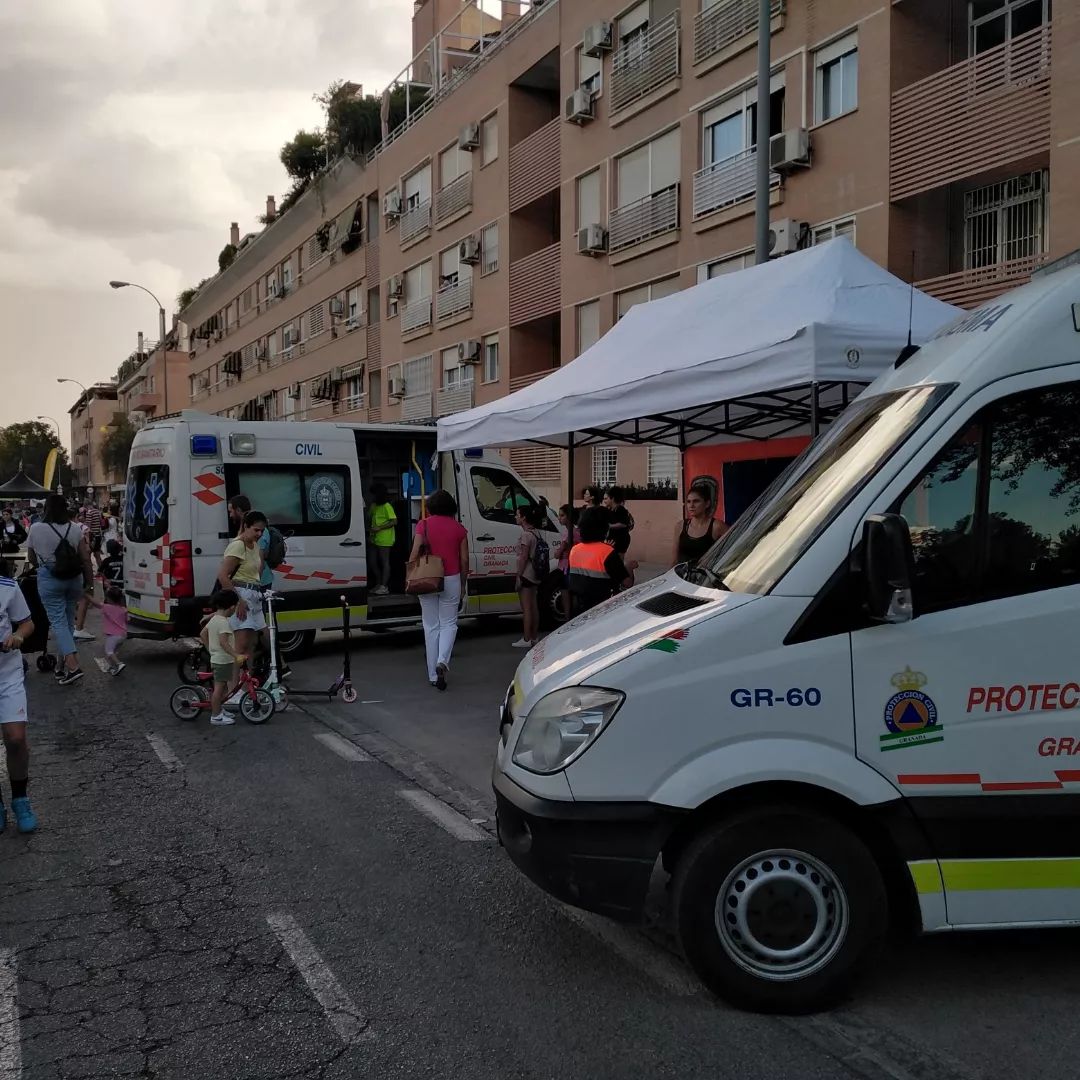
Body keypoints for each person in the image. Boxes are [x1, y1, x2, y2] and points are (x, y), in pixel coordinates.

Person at [26, 494, 93, 685]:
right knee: (68, 622)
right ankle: (60, 668)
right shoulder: (74, 528)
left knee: (58, 622)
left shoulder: (36, 528)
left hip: (50, 578)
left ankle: (73, 666)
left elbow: (31, 557)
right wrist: (88, 583)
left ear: (46, 509)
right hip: (74, 579)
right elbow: (86, 558)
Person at [408, 490, 468, 691]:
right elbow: (465, 560)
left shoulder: (423, 525)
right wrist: (463, 582)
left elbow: (416, 551)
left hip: (428, 577)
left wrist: (411, 571)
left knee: (430, 625)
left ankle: (433, 675)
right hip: (451, 578)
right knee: (449, 623)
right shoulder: (459, 529)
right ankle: (443, 661)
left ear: (431, 506)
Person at [0, 569, 37, 832]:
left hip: (6, 672)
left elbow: (27, 622)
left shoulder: (7, 586)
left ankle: (20, 799)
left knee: (15, 738)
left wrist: (19, 636)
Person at [217, 509, 267, 669]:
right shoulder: (238, 546)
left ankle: (246, 687)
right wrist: (238, 601)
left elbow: (257, 571)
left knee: (252, 645)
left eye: (262, 531)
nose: (259, 534)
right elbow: (223, 575)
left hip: (254, 594)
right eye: (256, 530)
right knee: (240, 646)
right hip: (240, 593)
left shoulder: (255, 546)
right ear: (246, 526)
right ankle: (234, 690)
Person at [569, 507, 637, 614]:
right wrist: (629, 567)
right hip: (603, 609)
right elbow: (627, 583)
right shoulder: (607, 552)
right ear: (604, 528)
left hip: (579, 609)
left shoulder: (575, 549)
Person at [200, 589, 243, 726]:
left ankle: (219, 709)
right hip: (223, 660)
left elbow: (202, 634)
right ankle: (216, 716)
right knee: (219, 689)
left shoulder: (214, 619)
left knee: (223, 687)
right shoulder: (223, 622)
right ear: (231, 607)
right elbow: (224, 642)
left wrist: (210, 650)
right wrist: (236, 655)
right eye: (235, 607)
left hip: (219, 658)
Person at [673, 482, 729, 568]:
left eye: (696, 501)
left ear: (707, 504)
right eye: (688, 502)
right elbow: (674, 560)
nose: (691, 505)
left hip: (706, 577)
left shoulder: (717, 526)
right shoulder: (680, 526)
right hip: (683, 576)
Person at [513, 504, 544, 649]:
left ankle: (526, 639)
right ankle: (534, 637)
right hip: (536, 572)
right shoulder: (536, 533)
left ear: (524, 517)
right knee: (534, 606)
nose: (516, 517)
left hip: (526, 573)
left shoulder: (525, 535)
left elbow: (523, 557)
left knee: (526, 608)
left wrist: (518, 575)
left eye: (518, 514)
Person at [86, 585, 128, 675]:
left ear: (109, 599)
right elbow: (127, 620)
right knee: (114, 652)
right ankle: (113, 667)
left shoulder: (107, 607)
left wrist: (86, 595)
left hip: (113, 635)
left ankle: (119, 664)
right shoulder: (123, 609)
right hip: (123, 634)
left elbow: (95, 603)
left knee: (109, 651)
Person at [552, 504, 580, 621]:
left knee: (566, 594)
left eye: (562, 515)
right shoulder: (578, 532)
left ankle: (568, 619)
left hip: (565, 567)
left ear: (569, 517)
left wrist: (559, 552)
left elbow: (557, 554)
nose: (559, 518)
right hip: (575, 566)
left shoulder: (568, 534)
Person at [368, 483, 397, 596]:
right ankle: (378, 583)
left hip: (384, 538)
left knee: (384, 562)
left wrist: (379, 527)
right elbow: (369, 518)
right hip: (374, 537)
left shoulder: (387, 506)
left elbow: (394, 521)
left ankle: (384, 586)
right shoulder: (375, 506)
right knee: (372, 562)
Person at [602, 485, 635, 557]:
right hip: (612, 539)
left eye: (606, 498)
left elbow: (623, 524)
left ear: (612, 498)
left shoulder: (620, 509)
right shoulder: (610, 509)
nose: (604, 501)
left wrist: (609, 526)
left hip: (621, 539)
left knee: (618, 560)